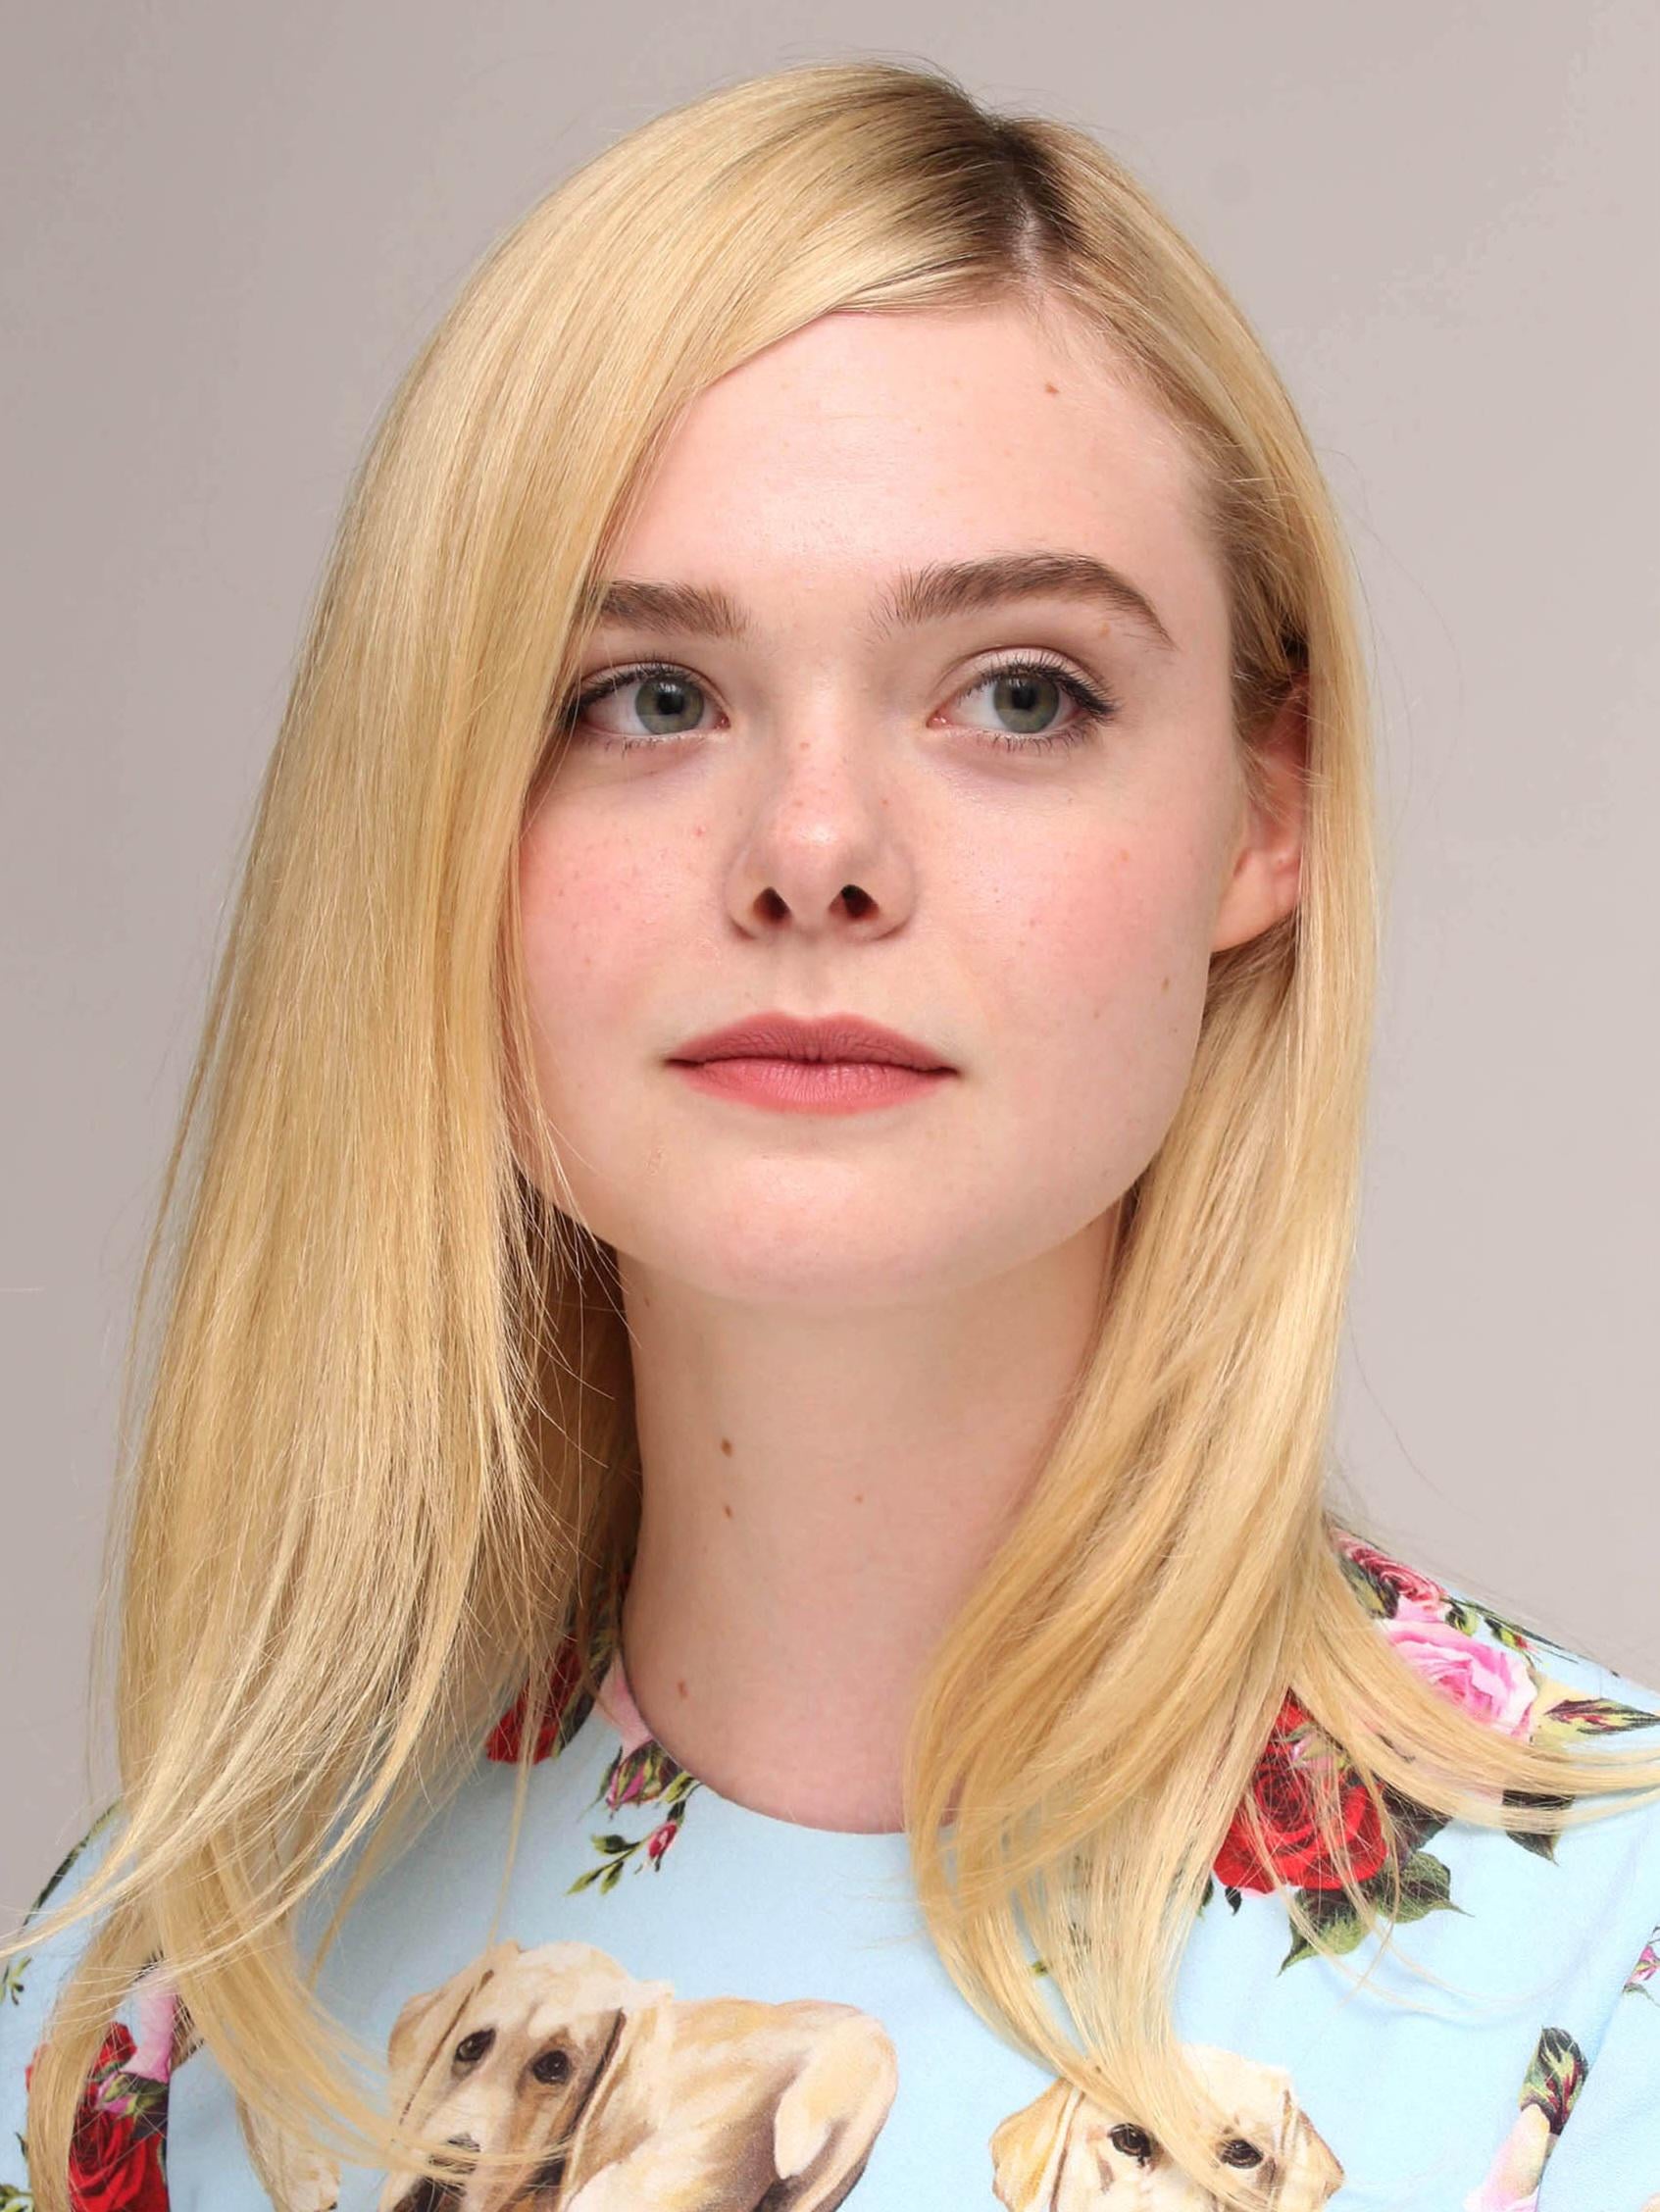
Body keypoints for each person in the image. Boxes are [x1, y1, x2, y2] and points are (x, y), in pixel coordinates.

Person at [4, 55, 1658, 2212]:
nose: (812, 853)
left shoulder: (1599, 1989)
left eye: (1021, 692)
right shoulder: (139, 2013)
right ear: (435, 817)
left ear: (1267, 811)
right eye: (646, 698)